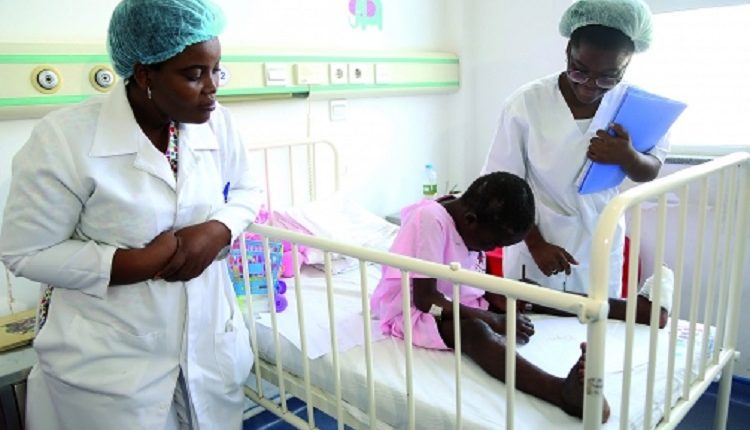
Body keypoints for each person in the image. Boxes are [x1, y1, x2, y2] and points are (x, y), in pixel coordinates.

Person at [0, 0, 263, 429]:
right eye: (194, 74)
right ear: (144, 74)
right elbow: (24, 251)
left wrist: (219, 229)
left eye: (217, 71)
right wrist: (135, 263)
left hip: (209, 342)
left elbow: (249, 191)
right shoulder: (65, 138)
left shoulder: (219, 124)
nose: (212, 88)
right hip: (111, 364)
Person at [370, 171, 611, 422]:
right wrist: (491, 319)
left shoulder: (467, 215)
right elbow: (426, 301)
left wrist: (492, 294)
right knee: (475, 330)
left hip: (454, 299)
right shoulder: (430, 220)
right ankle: (561, 393)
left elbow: (472, 272)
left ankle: (613, 307)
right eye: (493, 244)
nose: (493, 250)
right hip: (418, 310)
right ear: (471, 221)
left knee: (524, 291)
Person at [482, 0, 667, 298]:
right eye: (579, 71)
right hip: (536, 240)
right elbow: (501, 186)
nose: (590, 86)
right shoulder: (526, 103)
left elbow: (651, 169)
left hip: (600, 241)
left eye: (608, 76)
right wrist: (536, 244)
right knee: (534, 322)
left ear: (627, 65)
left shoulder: (636, 105)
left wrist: (628, 156)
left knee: (596, 322)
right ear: (568, 51)